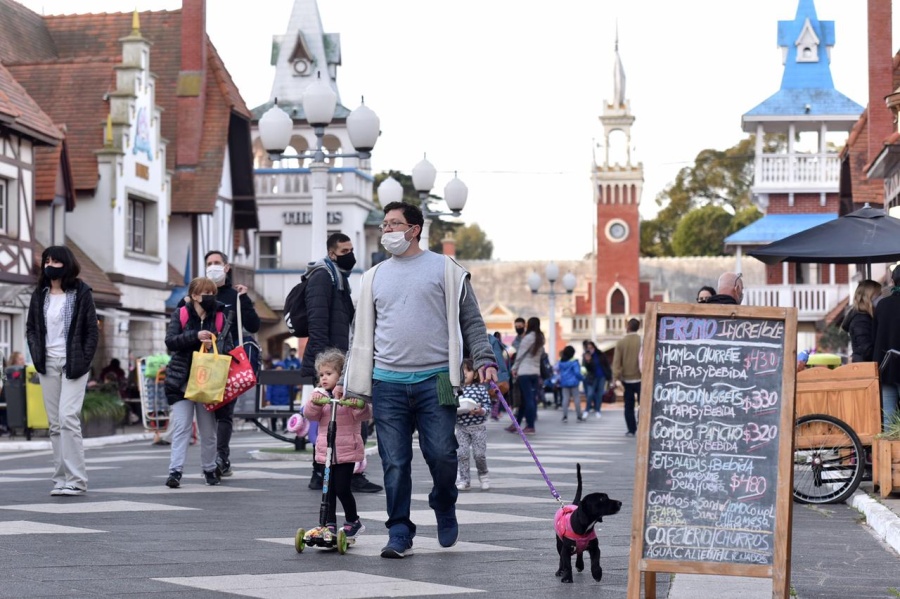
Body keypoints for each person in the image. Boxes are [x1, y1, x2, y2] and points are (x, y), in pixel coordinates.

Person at [343, 200, 498, 559]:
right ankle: (399, 531)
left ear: (414, 229)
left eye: (394, 224)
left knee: (443, 454)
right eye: (384, 225)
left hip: (438, 379)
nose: (387, 231)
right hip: (387, 382)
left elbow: (471, 322)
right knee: (394, 461)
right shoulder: (373, 277)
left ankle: (444, 504)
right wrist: (353, 382)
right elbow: (361, 335)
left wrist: (485, 358)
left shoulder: (446, 270)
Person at [299, 233, 380, 494]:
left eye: (352, 249)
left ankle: (337, 472)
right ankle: (326, 472)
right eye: (345, 250)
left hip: (342, 361)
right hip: (332, 363)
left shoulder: (338, 278)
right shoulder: (323, 276)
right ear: (332, 253)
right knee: (333, 420)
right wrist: (329, 368)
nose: (351, 255)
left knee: (345, 419)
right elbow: (318, 321)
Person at [25, 245, 99, 496]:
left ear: (67, 264)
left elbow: (92, 332)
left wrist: (83, 359)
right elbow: (32, 329)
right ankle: (60, 479)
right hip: (47, 363)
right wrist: (37, 356)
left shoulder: (81, 293)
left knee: (68, 418)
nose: (50, 265)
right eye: (47, 260)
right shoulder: (40, 294)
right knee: (55, 425)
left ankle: (77, 480)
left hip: (73, 364)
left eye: (56, 261)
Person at [163, 276, 234, 488]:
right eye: (206, 293)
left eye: (213, 293)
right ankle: (175, 471)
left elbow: (229, 349)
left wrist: (214, 347)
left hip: (208, 382)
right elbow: (170, 342)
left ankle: (210, 469)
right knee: (181, 427)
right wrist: (195, 336)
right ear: (194, 295)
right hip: (181, 381)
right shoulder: (182, 313)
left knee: (208, 430)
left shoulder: (221, 317)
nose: (210, 297)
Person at [303, 348, 370, 542]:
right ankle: (328, 523)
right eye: (322, 374)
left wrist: (357, 404)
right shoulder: (320, 395)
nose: (324, 378)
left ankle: (353, 521)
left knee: (342, 488)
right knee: (328, 489)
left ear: (341, 375)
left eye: (329, 374)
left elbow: (364, 414)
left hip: (346, 451)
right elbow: (310, 415)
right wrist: (315, 403)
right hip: (326, 452)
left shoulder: (348, 396)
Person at [203, 250, 260, 478]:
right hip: (204, 361)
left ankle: (221, 457)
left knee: (224, 412)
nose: (213, 267)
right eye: (209, 263)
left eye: (217, 263)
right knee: (207, 412)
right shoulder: (199, 294)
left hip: (229, 361)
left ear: (227, 267)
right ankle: (209, 459)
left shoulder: (235, 296)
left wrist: (244, 299)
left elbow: (253, 325)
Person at [455, 359, 492, 491]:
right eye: (462, 370)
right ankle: (464, 479)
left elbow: (488, 406)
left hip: (478, 428)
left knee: (479, 454)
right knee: (462, 454)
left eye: (468, 370)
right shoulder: (456, 389)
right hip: (461, 427)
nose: (464, 373)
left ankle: (484, 475)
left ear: (475, 374)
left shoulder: (481, 389)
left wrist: (481, 410)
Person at [507, 316, 544, 435]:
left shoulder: (528, 338)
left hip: (524, 372)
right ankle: (518, 424)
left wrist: (514, 368)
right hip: (535, 372)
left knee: (527, 400)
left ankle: (530, 425)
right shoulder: (540, 338)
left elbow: (520, 355)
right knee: (528, 399)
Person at [874, 268, 900, 429]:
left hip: (886, 367)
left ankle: (890, 454)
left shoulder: (882, 305)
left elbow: (874, 337)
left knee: (888, 418)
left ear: (892, 281)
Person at [613, 318, 642, 436]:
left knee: (628, 406)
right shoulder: (642, 340)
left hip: (627, 379)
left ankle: (631, 429)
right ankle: (641, 424)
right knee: (643, 405)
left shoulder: (621, 342)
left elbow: (616, 362)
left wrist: (615, 377)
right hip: (641, 378)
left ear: (628, 327)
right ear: (638, 327)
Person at [841, 279, 881, 363]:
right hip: (865, 367)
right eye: (878, 294)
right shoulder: (861, 320)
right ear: (868, 297)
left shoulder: (864, 317)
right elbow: (867, 350)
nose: (881, 298)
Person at [0, 351, 27, 435]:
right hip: (9, 398)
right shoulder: (11, 372)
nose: (23, 361)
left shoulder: (25, 370)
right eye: (20, 359)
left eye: (23, 359)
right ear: (14, 361)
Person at [582, 340, 609, 419]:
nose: (590, 349)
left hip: (601, 376)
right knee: (590, 394)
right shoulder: (586, 356)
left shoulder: (600, 354)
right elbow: (584, 368)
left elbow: (606, 365)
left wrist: (610, 376)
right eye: (588, 348)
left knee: (599, 394)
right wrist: (588, 361)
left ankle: (598, 410)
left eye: (591, 348)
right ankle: (587, 410)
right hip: (591, 378)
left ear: (594, 347)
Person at [557, 345, 585, 422]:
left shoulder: (561, 362)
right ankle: (579, 416)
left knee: (565, 399)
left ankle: (565, 416)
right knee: (576, 399)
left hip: (564, 383)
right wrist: (582, 378)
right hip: (574, 383)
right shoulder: (574, 362)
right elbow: (577, 373)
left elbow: (558, 371)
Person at [264, 361, 291, 431]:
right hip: (274, 399)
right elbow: (269, 389)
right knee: (274, 415)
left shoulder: (286, 378)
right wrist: (268, 400)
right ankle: (273, 428)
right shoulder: (272, 378)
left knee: (284, 414)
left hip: (284, 399)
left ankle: (284, 426)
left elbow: (290, 388)